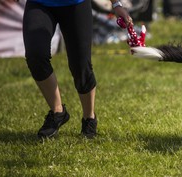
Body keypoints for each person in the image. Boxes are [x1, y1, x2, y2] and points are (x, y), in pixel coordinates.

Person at [16, 0, 133, 139]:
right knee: (36, 55)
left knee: (81, 65)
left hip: (76, 4)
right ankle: (58, 112)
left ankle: (89, 118)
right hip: (39, 3)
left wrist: (116, 5)